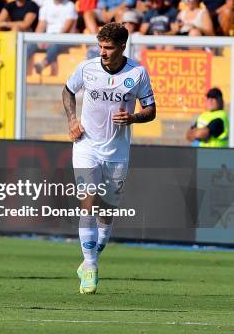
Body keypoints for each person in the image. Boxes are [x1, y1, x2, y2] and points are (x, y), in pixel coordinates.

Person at [62, 22, 156, 294]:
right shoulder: (87, 67)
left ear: (122, 47)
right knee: (88, 198)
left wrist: (133, 118)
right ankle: (90, 266)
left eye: (108, 48)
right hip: (86, 145)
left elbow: (151, 110)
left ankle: (91, 257)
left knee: (108, 209)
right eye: (100, 47)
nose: (102, 52)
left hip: (117, 150)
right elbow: (68, 90)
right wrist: (71, 120)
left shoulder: (137, 73)